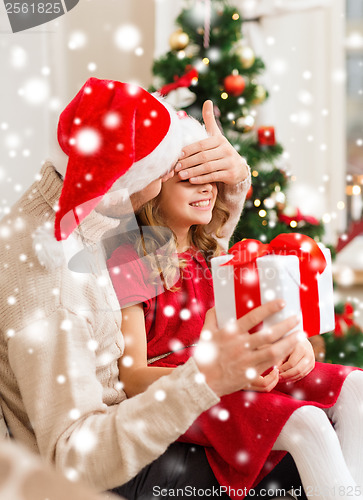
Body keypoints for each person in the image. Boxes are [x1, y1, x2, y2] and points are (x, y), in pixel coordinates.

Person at [0, 77, 304, 498]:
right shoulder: (54, 279)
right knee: (293, 468)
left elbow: (191, 257)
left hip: (135, 425)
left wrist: (234, 184)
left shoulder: (97, 211)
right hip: (112, 471)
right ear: (137, 178)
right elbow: (73, 460)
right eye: (167, 166)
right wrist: (205, 379)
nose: (178, 168)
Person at [107, 111, 363, 500]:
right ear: (152, 184)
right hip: (183, 392)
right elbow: (133, 379)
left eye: (211, 178)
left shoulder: (212, 256)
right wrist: (226, 376)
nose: (207, 188)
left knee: (357, 386)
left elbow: (252, 328)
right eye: (190, 177)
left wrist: (299, 346)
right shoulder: (131, 259)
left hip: (233, 376)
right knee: (307, 422)